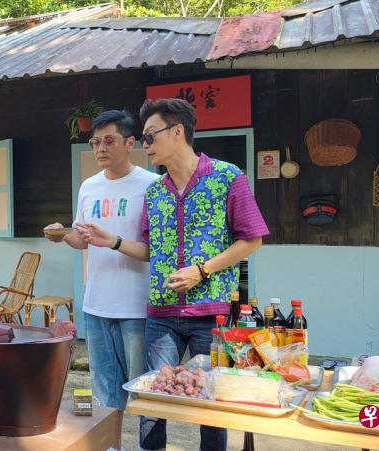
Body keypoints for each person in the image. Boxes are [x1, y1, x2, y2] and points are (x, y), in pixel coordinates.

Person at [78, 98, 269, 451]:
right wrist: (113, 241)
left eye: (150, 136)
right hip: (161, 315)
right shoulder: (155, 193)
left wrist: (202, 270)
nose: (146, 145)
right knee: (154, 401)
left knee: (210, 404)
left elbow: (252, 238)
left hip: (210, 313)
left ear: (177, 132)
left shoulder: (228, 177)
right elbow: (150, 251)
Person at [44, 110, 158, 426]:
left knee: (143, 393)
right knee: (106, 395)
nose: (100, 149)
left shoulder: (152, 185)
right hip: (95, 305)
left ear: (131, 143)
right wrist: (63, 234)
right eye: (95, 142)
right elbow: (83, 240)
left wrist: (114, 241)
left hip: (137, 307)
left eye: (109, 141)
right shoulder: (89, 186)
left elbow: (157, 251)